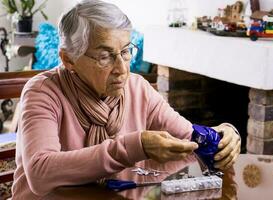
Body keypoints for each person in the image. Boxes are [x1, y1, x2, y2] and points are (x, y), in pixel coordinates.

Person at [11, 0, 241, 199]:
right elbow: (40, 172)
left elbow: (188, 138)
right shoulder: (43, 92)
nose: (122, 69)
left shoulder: (137, 88)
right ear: (68, 59)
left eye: (125, 51)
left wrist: (222, 136)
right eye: (104, 56)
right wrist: (134, 146)